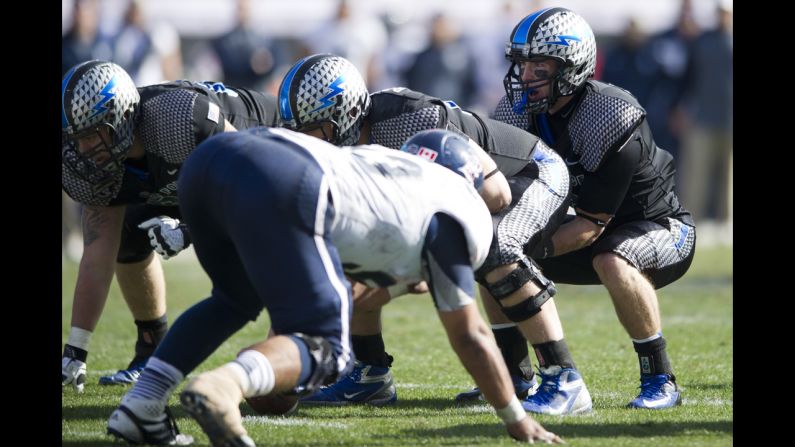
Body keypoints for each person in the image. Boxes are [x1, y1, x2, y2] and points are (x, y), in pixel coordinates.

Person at [105, 127, 563, 446]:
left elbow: (343, 289)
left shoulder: (391, 172)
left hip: (213, 162)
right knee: (328, 347)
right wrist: (515, 418)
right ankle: (223, 386)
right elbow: (471, 334)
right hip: (285, 179)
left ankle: (141, 405)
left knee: (234, 299)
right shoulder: (458, 207)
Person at [278, 53, 592, 415]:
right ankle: (370, 372)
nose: (307, 142)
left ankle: (563, 377)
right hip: (475, 188)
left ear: (346, 114)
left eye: (313, 129)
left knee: (495, 246)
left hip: (528, 173)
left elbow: (494, 192)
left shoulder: (409, 119)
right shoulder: (350, 145)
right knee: (354, 250)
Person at [494, 7, 696, 409]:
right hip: (591, 230)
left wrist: (519, 249)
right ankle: (514, 377)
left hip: (660, 227)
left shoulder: (611, 114)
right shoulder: (517, 113)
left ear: (572, 65)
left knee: (611, 258)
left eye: (540, 63)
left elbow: (590, 227)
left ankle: (660, 378)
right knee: (492, 249)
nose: (527, 74)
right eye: (523, 62)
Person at [61, 60, 279, 392]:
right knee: (127, 236)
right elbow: (96, 254)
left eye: (93, 134)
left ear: (120, 117)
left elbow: (249, 185)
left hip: (260, 154)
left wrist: (190, 229)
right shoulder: (98, 160)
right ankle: (151, 349)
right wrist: (75, 350)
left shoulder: (177, 119)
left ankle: (304, 352)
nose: (84, 148)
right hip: (192, 176)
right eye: (78, 137)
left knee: (255, 269)